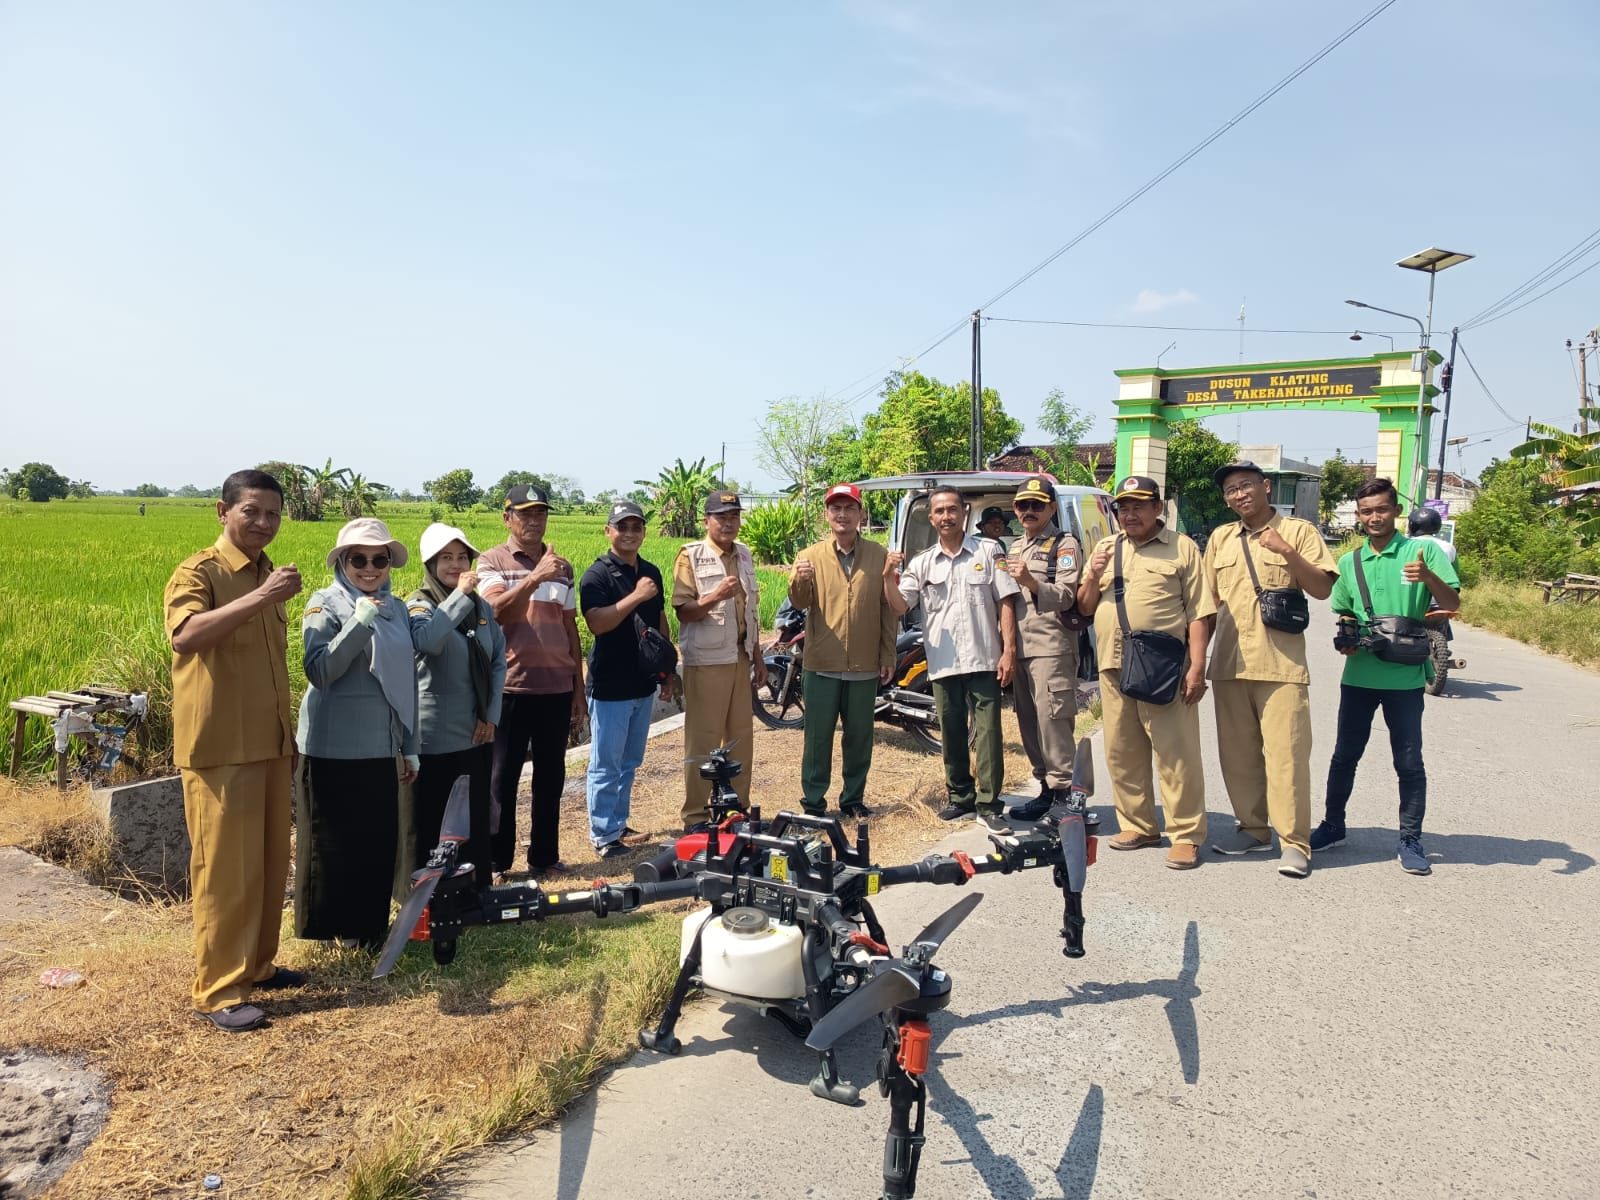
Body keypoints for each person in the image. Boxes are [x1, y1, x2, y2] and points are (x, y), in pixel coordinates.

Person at [165, 469, 303, 1033]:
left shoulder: (270, 572)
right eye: (253, 512)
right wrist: (263, 596)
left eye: (273, 514)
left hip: (268, 743)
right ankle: (220, 989)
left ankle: (258, 966)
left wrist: (286, 738)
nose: (264, 524)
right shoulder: (201, 572)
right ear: (223, 512)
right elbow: (186, 635)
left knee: (269, 863)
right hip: (220, 746)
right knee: (224, 870)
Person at [1312, 477, 1459, 876]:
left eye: (1381, 509)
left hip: (1406, 679)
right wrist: (1345, 637)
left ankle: (1410, 838)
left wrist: (1428, 577)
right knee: (1344, 756)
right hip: (1359, 674)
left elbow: (1452, 604)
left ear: (1396, 511)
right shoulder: (1350, 561)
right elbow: (1342, 610)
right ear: (1358, 516)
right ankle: (1333, 825)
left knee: (1409, 762)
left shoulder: (1421, 551)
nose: (1374, 517)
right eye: (1366, 511)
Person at [1203, 461, 1338, 878]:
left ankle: (1294, 843)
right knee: (1238, 756)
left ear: (1265, 487)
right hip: (1229, 662)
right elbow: (1207, 607)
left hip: (1281, 665)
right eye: (1231, 490)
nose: (1239, 495)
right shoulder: (1221, 538)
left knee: (1287, 758)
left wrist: (1287, 553)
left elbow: (1321, 588)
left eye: (1246, 486)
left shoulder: (1299, 532)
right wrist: (1194, 664)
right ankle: (1253, 827)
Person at [1076, 476, 1215, 870]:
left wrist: (1198, 667)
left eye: (1139, 505)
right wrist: (1092, 574)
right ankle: (1139, 825)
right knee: (1121, 749)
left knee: (1176, 752)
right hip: (1114, 663)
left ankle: (1185, 834)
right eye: (1123, 507)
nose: (1130, 513)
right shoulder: (1105, 547)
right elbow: (1085, 607)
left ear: (1158, 508)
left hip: (1164, 666)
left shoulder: (1181, 548)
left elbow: (1200, 612)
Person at [295, 518, 419, 949]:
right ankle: (334, 930)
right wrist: (359, 621)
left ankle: (368, 930)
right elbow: (320, 670)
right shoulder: (323, 604)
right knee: (332, 844)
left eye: (379, 559)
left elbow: (407, 681)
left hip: (381, 745)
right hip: (332, 747)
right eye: (358, 559)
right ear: (342, 562)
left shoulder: (398, 608)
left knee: (376, 843)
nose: (370, 568)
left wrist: (410, 745)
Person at [885, 486, 1020, 833]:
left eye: (952, 510)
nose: (946, 516)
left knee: (989, 733)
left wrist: (1009, 650)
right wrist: (887, 577)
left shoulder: (989, 552)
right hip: (943, 662)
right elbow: (900, 605)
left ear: (964, 513)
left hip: (985, 657)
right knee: (952, 731)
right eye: (939, 511)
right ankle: (960, 798)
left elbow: (1006, 601)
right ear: (931, 518)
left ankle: (989, 804)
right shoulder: (923, 562)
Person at [478, 484, 584, 881]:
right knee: (501, 778)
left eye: (540, 513)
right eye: (525, 514)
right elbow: (494, 612)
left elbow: (570, 627)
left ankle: (544, 856)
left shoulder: (564, 566)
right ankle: (496, 861)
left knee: (551, 777)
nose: (534, 521)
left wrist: (578, 689)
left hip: (555, 687)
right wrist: (535, 577)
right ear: (507, 518)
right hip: (510, 688)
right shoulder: (492, 561)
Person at [406, 523, 508, 888]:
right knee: (432, 818)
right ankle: (429, 895)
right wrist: (460, 595)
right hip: (433, 737)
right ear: (430, 563)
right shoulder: (419, 604)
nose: (455, 564)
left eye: (461, 556)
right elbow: (428, 640)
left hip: (475, 731)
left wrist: (490, 715)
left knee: (472, 817)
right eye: (445, 557)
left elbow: (498, 660)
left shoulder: (481, 608)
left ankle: (473, 890)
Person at [788, 483, 897, 819]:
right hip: (821, 663)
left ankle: (852, 800)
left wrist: (888, 655)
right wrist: (800, 580)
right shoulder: (808, 556)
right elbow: (799, 602)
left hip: (865, 664)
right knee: (818, 740)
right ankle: (814, 804)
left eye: (849, 508)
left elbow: (887, 610)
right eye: (836, 508)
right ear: (827, 514)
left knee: (859, 739)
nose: (843, 514)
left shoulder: (878, 555)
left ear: (861, 514)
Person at [1000, 476, 1095, 826]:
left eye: (1036, 505)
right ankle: (1046, 789)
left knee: (1053, 722)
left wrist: (1029, 580)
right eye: (1022, 505)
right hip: (1021, 648)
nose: (1028, 511)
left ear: (1052, 508)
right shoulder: (1013, 548)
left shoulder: (1063, 544)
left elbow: (1067, 595)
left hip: (1052, 648)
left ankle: (1069, 796)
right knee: (1029, 724)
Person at [580, 500, 672, 859]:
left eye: (636, 527)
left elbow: (659, 620)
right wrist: (636, 595)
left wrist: (667, 669)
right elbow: (597, 623)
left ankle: (618, 822)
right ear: (609, 531)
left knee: (630, 761)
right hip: (609, 686)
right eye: (622, 527)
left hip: (642, 683)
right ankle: (603, 835)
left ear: (644, 532)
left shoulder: (651, 571)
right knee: (606, 765)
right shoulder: (597, 575)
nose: (630, 533)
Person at [672, 490, 765, 830]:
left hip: (739, 658)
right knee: (704, 740)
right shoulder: (690, 556)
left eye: (734, 516)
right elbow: (684, 611)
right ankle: (695, 816)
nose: (729, 523)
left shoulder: (744, 554)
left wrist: (758, 658)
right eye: (721, 517)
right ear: (706, 521)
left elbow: (749, 612)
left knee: (741, 740)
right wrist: (715, 596)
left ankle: (734, 811)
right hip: (707, 662)